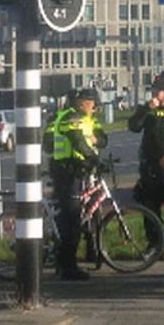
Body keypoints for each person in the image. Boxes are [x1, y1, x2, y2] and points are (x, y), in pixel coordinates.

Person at [48, 87, 106, 281]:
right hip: (66, 172)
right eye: (93, 103)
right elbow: (78, 142)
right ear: (82, 102)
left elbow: (97, 140)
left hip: (76, 172)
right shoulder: (69, 118)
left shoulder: (83, 118)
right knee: (71, 220)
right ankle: (68, 267)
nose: (95, 108)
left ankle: (67, 260)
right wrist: (94, 160)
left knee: (75, 217)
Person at [127, 75, 164, 243]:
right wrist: (145, 110)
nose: (155, 93)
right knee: (150, 208)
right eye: (154, 90)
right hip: (151, 165)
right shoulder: (148, 109)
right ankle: (153, 244)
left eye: (159, 90)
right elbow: (134, 126)